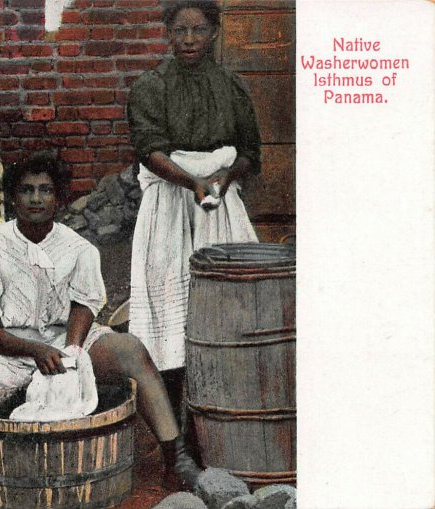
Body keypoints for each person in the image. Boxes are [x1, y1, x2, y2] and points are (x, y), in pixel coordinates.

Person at [0, 153, 200, 509]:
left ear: (58, 198)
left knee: (131, 349)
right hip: (5, 350)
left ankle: (176, 459)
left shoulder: (79, 249)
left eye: (45, 190)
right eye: (26, 190)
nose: (36, 199)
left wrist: (72, 351)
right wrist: (33, 350)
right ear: (14, 198)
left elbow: (84, 305)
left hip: (65, 347)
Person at [127, 0, 261, 459]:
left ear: (214, 32)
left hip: (218, 205)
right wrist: (192, 181)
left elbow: (248, 150)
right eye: (179, 31)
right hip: (169, 202)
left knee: (224, 307)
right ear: (167, 33)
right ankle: (176, 440)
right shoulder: (150, 87)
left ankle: (217, 426)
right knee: (170, 307)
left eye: (198, 31)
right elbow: (148, 149)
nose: (187, 41)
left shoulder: (232, 88)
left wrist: (223, 178)